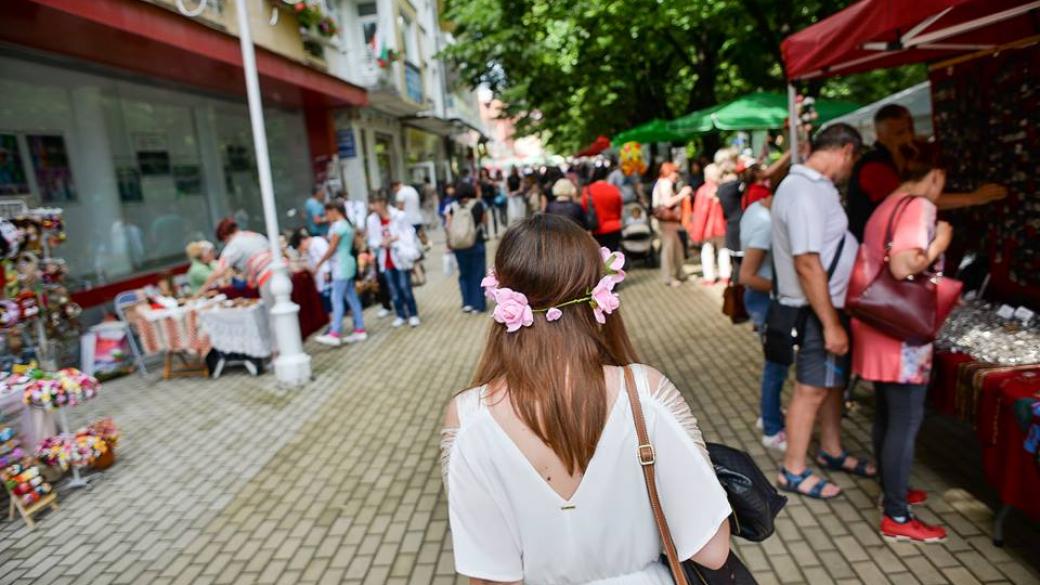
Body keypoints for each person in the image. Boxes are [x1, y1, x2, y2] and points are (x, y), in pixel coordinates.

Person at [441, 214, 732, 583]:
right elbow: (712, 550)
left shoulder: (468, 419)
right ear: (600, 296)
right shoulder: (645, 393)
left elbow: (489, 574)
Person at [851, 152, 953, 542]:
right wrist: (941, 239)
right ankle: (897, 513)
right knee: (905, 421)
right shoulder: (920, 206)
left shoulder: (886, 206)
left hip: (878, 325)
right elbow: (904, 265)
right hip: (902, 332)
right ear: (935, 174)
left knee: (886, 415)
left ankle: (891, 492)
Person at [772, 123, 875, 499]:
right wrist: (831, 323)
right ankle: (793, 470)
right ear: (847, 150)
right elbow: (807, 262)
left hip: (825, 306)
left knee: (830, 385)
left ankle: (831, 451)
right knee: (811, 389)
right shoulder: (802, 190)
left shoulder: (814, 187)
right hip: (818, 309)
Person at [846, 104, 1006, 242]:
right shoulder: (873, 166)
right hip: (873, 249)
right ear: (881, 136)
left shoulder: (909, 155)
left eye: (910, 130)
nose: (908, 137)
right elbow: (910, 201)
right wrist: (972, 198)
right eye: (899, 133)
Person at [738, 194, 789, 452]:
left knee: (775, 364)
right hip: (765, 300)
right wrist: (786, 288)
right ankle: (771, 427)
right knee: (776, 366)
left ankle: (768, 415)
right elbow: (747, 275)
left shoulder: (755, 210)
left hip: (763, 300)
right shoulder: (767, 224)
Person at [313, 201, 368, 346]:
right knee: (351, 297)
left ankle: (335, 332)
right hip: (345, 264)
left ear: (334, 211)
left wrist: (319, 264)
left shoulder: (339, 226)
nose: (326, 216)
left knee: (336, 298)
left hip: (341, 266)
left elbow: (331, 248)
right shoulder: (345, 225)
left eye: (327, 213)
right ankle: (359, 329)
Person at [366, 192, 421, 328]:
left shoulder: (399, 216)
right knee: (393, 289)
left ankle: (413, 314)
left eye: (376, 203)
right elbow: (372, 240)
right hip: (385, 258)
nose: (374, 207)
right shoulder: (372, 220)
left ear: (383, 202)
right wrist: (381, 243)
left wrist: (395, 239)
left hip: (401, 257)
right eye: (372, 204)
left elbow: (409, 234)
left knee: (405, 287)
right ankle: (400, 315)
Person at [197, 218, 276, 306]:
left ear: (225, 236)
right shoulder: (255, 235)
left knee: (273, 310)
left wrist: (201, 290)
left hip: (267, 276)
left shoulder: (233, 244)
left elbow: (219, 271)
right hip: (282, 269)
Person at [446, 182, 489, 314]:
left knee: (464, 274)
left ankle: (467, 303)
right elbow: (485, 221)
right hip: (476, 243)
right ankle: (478, 305)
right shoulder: (478, 204)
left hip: (459, 245)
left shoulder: (452, 207)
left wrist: (449, 242)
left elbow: (448, 226)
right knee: (478, 274)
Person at [688, 163, 729, 285]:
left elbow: (700, 213)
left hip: (707, 228)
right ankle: (725, 276)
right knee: (723, 250)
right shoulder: (722, 189)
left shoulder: (702, 191)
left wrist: (696, 231)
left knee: (707, 252)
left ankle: (709, 277)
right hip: (722, 225)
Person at [652, 162, 690, 287]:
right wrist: (682, 194)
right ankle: (668, 277)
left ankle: (679, 272)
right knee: (669, 248)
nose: (677, 175)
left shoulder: (660, 183)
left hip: (665, 221)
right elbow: (667, 203)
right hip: (667, 222)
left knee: (676, 246)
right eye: (675, 172)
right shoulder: (666, 183)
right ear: (669, 172)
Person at [289, 229, 332, 313]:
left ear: (302, 241)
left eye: (299, 247)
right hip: (320, 279)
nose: (301, 250)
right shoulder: (308, 250)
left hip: (327, 276)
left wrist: (326, 272)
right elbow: (313, 268)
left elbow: (326, 257)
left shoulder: (318, 242)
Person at [583, 164, 624, 251]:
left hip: (597, 229)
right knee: (614, 258)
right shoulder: (614, 189)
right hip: (615, 227)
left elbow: (585, 209)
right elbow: (619, 209)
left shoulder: (588, 190)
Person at [392, 180, 426, 245]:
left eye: (394, 189)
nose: (394, 191)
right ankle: (426, 247)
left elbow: (400, 208)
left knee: (411, 240)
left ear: (395, 186)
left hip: (409, 221)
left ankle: (418, 252)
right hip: (417, 218)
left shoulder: (400, 193)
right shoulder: (411, 189)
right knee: (420, 237)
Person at [478, 168, 500, 238]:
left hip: (492, 198)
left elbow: (496, 186)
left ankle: (496, 233)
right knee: (485, 217)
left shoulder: (491, 179)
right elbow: (479, 191)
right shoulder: (479, 181)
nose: (483, 173)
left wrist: (491, 183)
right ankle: (487, 234)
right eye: (482, 172)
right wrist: (479, 199)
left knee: (494, 216)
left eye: (484, 172)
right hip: (484, 199)